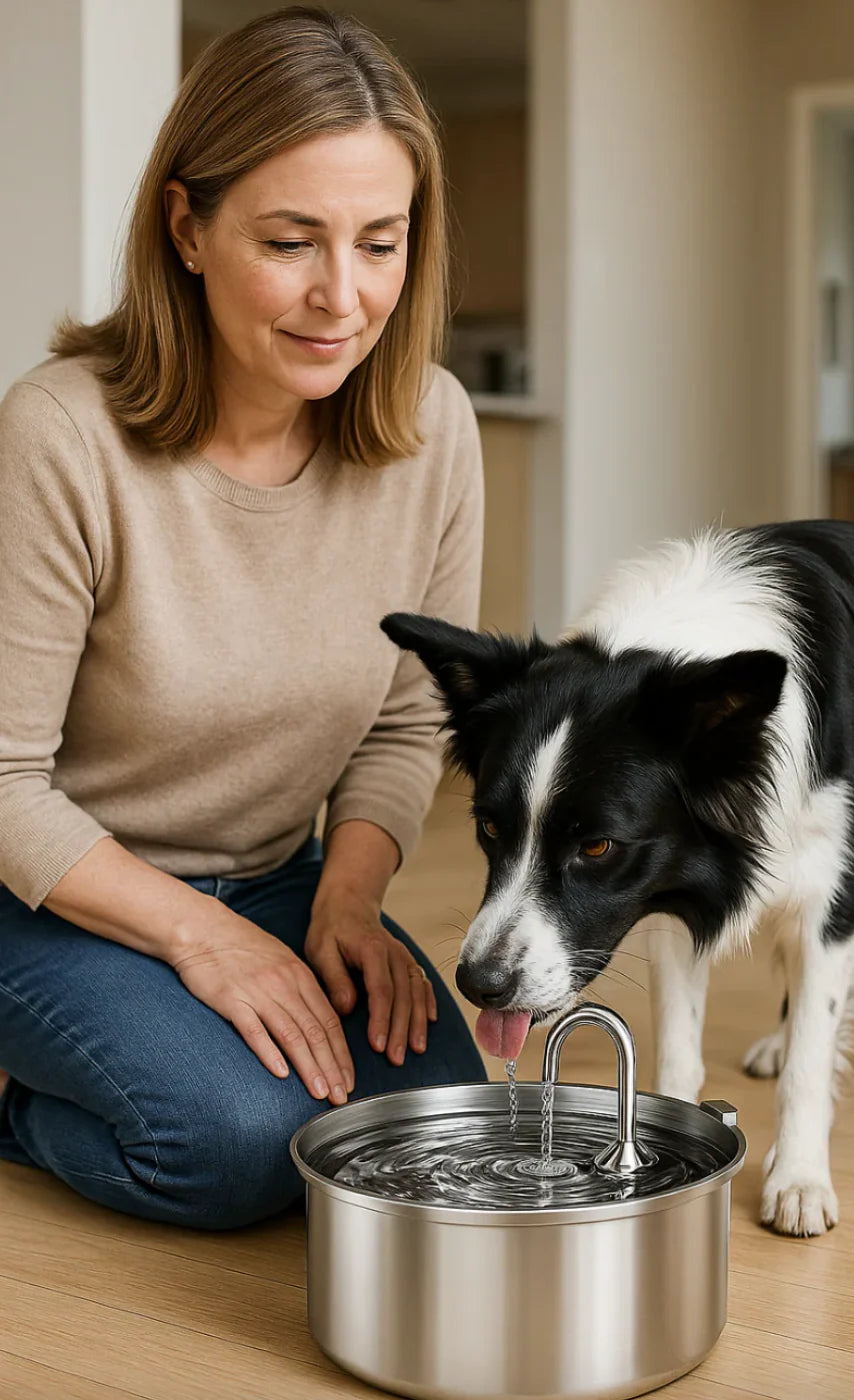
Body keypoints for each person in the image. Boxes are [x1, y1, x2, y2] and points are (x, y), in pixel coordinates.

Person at [0, 6, 487, 1230]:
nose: (342, 295)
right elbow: (2, 783)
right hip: (49, 896)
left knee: (430, 1127)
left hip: (279, 879)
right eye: (290, 241)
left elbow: (405, 720)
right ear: (188, 228)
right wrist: (197, 943)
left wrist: (347, 899)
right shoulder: (62, 436)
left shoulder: (430, 430)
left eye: (380, 242)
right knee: (234, 1142)